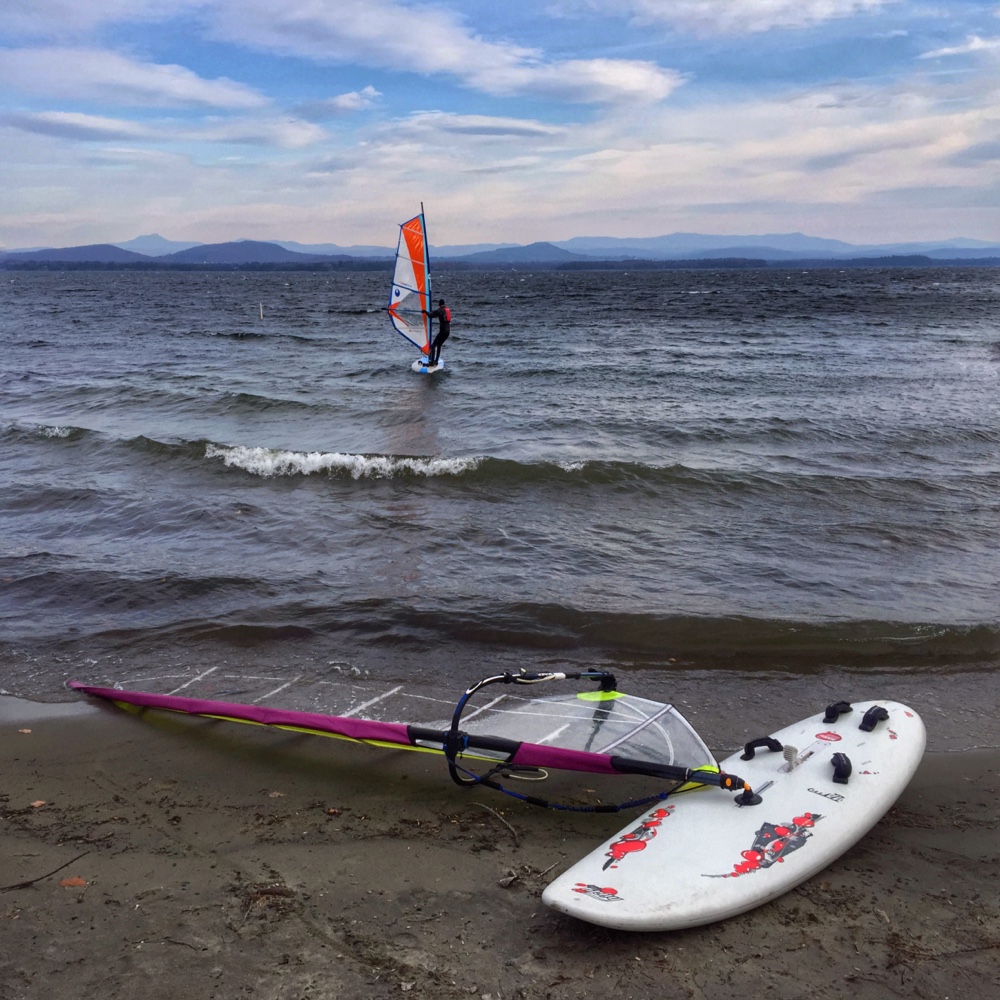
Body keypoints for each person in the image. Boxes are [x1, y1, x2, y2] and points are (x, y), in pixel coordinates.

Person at [423, 298, 451, 366]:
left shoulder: (440, 310)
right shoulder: (446, 310)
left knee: (433, 346)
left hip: (443, 331)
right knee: (439, 345)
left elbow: (430, 315)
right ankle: (436, 361)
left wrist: (425, 312)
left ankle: (432, 363)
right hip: (448, 332)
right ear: (444, 304)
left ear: (439, 305)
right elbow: (435, 312)